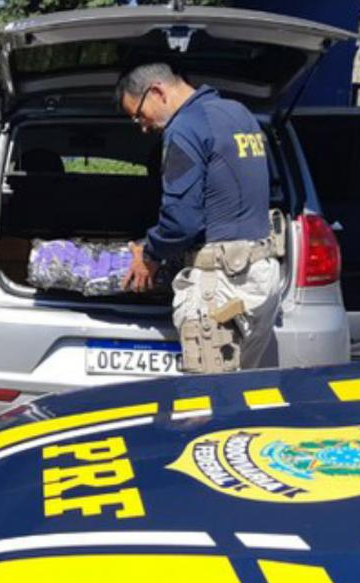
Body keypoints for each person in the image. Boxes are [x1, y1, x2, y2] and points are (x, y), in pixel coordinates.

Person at [117, 63, 282, 374]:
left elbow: (181, 222)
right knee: (242, 393)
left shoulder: (185, 127)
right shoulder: (240, 115)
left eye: (139, 115)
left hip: (219, 285)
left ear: (157, 92)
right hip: (260, 276)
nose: (142, 126)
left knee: (210, 403)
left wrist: (149, 254)